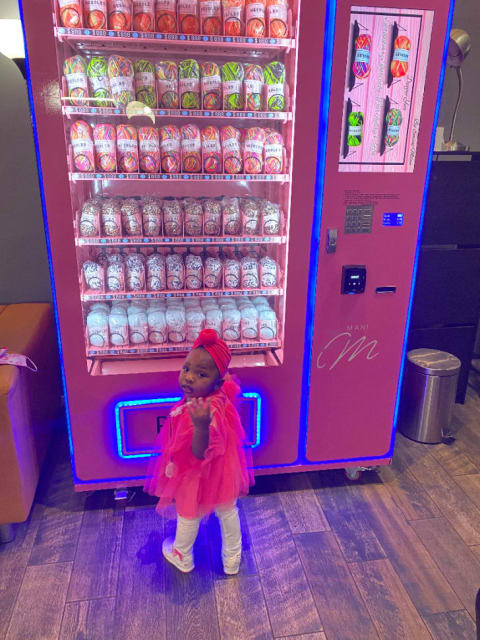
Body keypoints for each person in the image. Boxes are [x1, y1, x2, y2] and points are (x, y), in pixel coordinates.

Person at [144, 328, 253, 575]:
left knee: (188, 512)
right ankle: (232, 559)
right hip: (224, 470)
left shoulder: (204, 413)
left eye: (200, 373)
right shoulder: (218, 394)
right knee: (227, 510)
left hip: (196, 472)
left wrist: (201, 426)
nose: (189, 377)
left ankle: (182, 554)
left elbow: (199, 453)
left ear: (216, 381)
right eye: (186, 369)